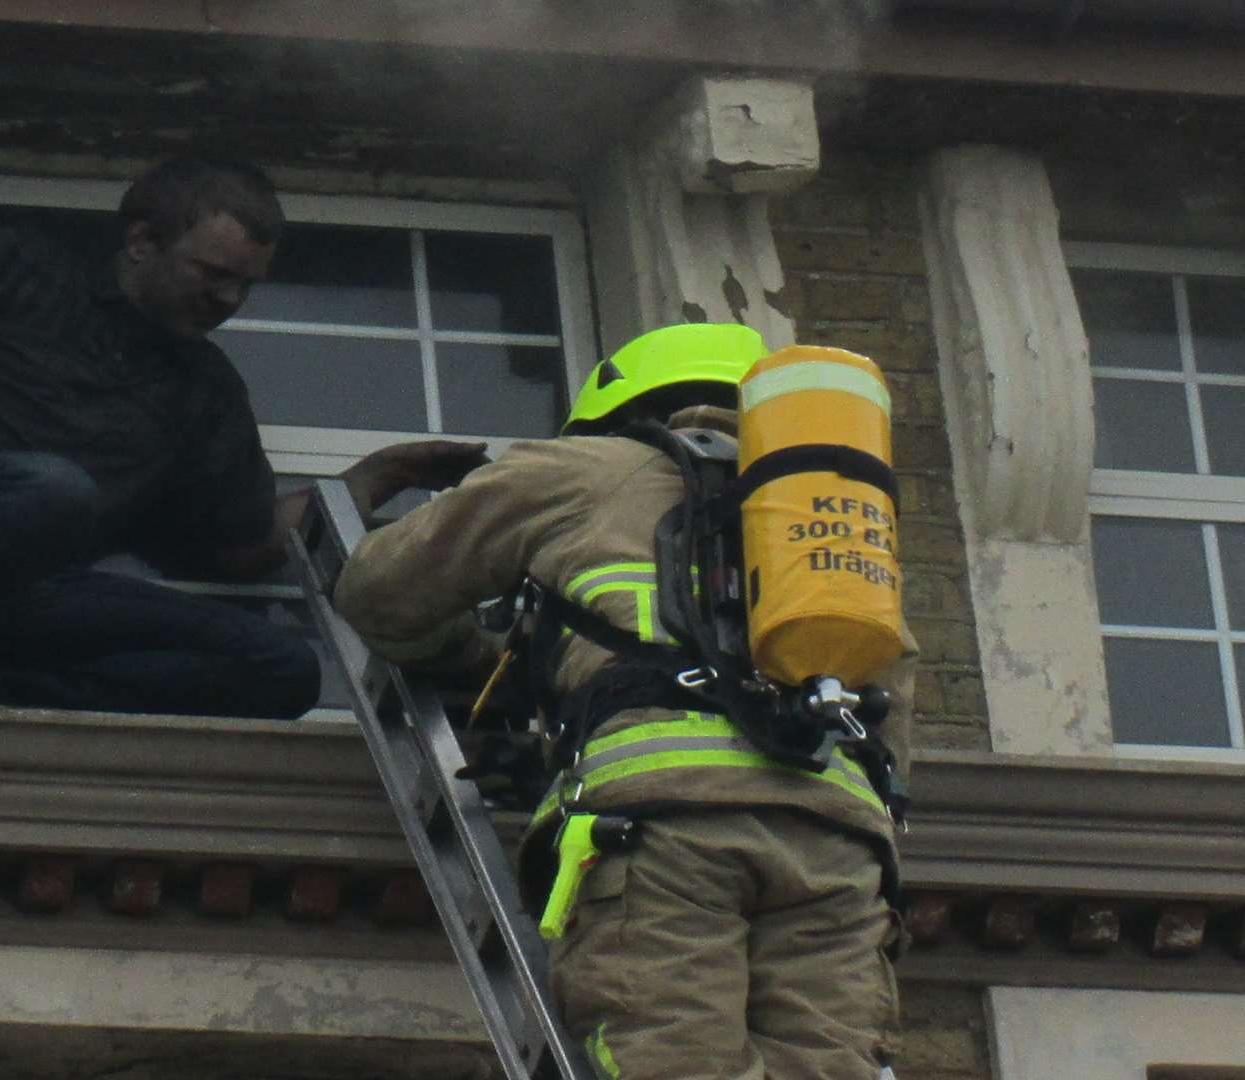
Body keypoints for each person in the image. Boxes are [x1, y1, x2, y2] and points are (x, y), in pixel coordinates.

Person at [333, 323, 913, 1079]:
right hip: (839, 850)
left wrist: (476, 665)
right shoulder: (838, 524)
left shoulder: (578, 471)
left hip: (662, 831)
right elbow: (893, 716)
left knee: (674, 1059)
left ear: (618, 412)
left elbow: (380, 594)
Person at [0, 157, 485, 717]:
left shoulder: (202, 390)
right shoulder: (20, 270)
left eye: (246, 284)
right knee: (50, 489)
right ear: (143, 242)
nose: (229, 299)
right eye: (212, 273)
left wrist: (376, 476)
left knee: (279, 666)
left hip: (3, 604)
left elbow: (247, 547)